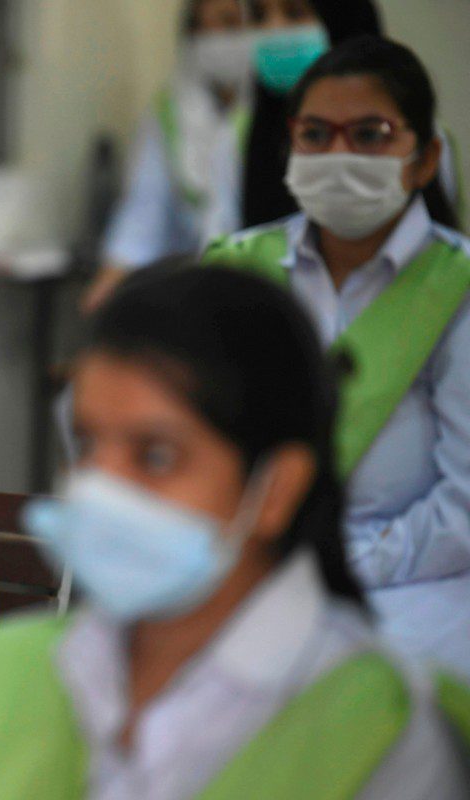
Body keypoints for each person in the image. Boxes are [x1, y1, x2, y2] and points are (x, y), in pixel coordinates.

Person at [0, 267, 470, 799]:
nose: (102, 486)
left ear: (275, 490)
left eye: (156, 456)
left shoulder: (382, 729)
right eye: (88, 444)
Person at [204, 37, 470, 679]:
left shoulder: (458, 289)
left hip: (411, 587)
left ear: (425, 157)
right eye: (316, 134)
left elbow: (465, 504)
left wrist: (345, 562)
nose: (340, 155)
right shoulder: (236, 270)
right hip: (243, 574)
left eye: (372, 134)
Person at [83, 0, 251, 311]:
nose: (239, 35)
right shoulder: (171, 111)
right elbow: (145, 211)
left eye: (248, 22)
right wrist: (110, 281)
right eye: (226, 23)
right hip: (196, 284)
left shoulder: (275, 108)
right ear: (194, 33)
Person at [240, 0, 461, 227]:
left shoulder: (419, 133)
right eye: (312, 135)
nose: (273, 29)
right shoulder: (238, 135)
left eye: (368, 135)